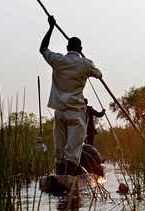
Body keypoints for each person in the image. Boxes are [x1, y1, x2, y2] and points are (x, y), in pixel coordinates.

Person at [40, 16, 102, 175]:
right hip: (75, 112)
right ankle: (67, 181)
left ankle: (61, 179)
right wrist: (86, 60)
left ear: (67, 47)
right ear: (80, 48)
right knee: (73, 151)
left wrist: (51, 28)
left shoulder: (58, 60)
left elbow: (43, 48)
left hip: (60, 112)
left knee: (60, 151)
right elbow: (99, 74)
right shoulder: (85, 63)